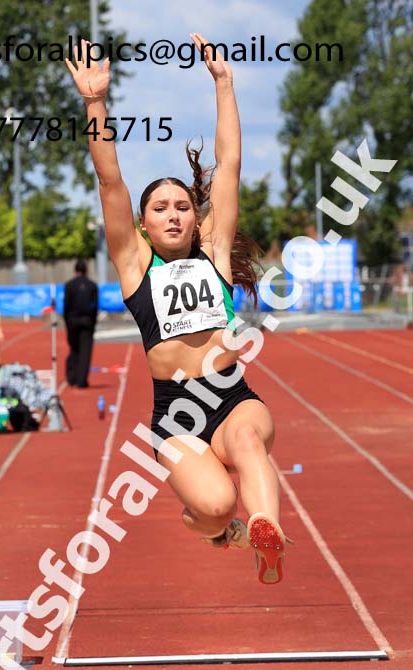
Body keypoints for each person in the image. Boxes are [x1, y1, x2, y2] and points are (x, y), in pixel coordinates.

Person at [65, 34, 293, 583]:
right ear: (143, 223)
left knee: (246, 440)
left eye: (183, 206)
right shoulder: (135, 266)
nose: (173, 215)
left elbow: (229, 161)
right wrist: (95, 103)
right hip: (175, 416)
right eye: (160, 208)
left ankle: (267, 531)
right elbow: (109, 179)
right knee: (214, 507)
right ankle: (221, 528)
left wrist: (224, 83)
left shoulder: (214, 251)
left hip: (233, 394)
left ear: (197, 217)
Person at [63, 258, 99, 388]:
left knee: (74, 348)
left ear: (75, 270)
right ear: (86, 270)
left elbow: (66, 306)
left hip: (72, 320)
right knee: (85, 351)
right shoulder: (92, 286)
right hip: (87, 321)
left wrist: (67, 323)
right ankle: (81, 380)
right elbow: (94, 307)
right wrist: (93, 323)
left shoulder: (69, 285)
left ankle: (71, 377)